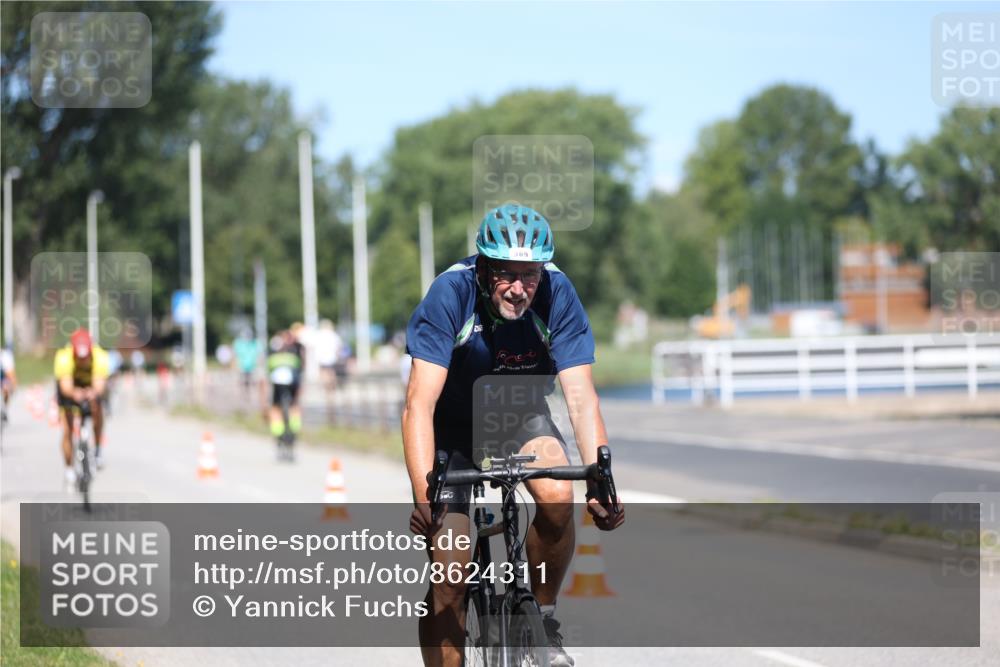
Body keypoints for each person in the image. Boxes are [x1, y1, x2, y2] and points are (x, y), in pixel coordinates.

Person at [403, 204, 625, 667]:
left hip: (519, 416)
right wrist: (425, 495)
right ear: (484, 268)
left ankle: (541, 619)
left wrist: (600, 483)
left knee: (558, 495)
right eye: (506, 274)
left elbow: (581, 398)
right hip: (452, 427)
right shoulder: (451, 293)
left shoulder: (558, 293)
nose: (519, 288)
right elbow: (418, 404)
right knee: (450, 576)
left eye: (530, 275)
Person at [54, 329, 109, 486]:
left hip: (90, 384)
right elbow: (66, 387)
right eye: (79, 357)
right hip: (70, 388)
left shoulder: (100, 356)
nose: (83, 361)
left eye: (85, 358)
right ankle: (69, 468)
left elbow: (99, 386)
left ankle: (97, 450)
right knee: (67, 429)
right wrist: (75, 393)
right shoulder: (63, 357)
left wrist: (92, 393)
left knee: (97, 407)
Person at [266, 328, 305, 449]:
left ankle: (278, 432)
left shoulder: (275, 345)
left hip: (278, 379)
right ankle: (294, 430)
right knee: (294, 404)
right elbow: (301, 366)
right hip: (292, 378)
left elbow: (268, 367)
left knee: (275, 407)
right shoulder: (297, 348)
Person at [233, 328, 259, 394]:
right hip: (242, 365)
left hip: (252, 365)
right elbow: (235, 355)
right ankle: (243, 393)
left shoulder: (254, 343)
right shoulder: (239, 343)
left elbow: (258, 355)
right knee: (242, 381)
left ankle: (250, 394)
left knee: (252, 382)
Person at [1, 345, 16, 425]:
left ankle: (4, 410)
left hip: (3, 377)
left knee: (6, 389)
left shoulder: (5, 356)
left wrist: (13, 384)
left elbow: (10, 373)